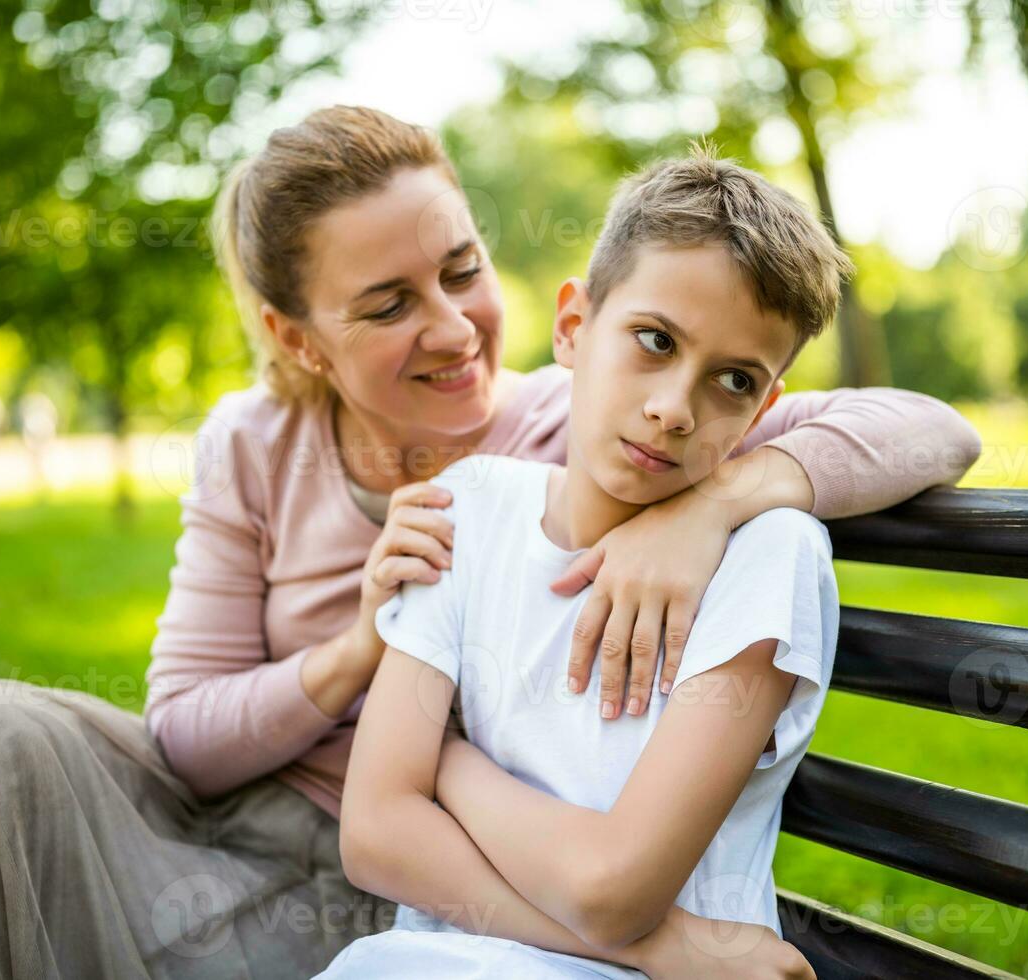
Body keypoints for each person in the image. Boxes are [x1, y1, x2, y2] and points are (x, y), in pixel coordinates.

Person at [0, 106, 979, 978]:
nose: (455, 326)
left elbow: (925, 426)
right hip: (251, 830)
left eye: (462, 269)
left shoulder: (581, 422)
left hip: (444, 874)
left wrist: (717, 502)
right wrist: (357, 648)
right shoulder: (254, 443)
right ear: (295, 336)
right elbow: (184, 736)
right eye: (387, 303)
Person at [319, 147, 838, 978]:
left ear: (764, 407)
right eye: (654, 339)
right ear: (573, 328)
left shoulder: (768, 554)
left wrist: (444, 765)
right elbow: (375, 834)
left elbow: (611, 890)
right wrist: (673, 947)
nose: (674, 408)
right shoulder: (470, 507)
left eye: (733, 381)